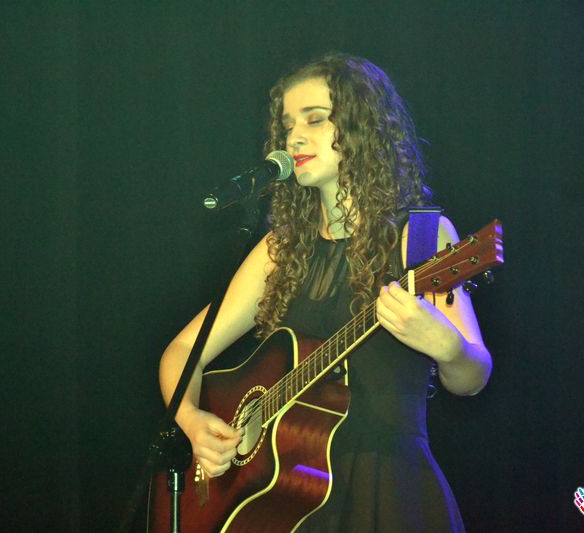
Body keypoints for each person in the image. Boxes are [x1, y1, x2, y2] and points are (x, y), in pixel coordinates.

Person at [158, 53, 492, 532]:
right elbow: (183, 350)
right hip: (289, 498)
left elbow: (473, 376)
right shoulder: (279, 250)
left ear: (362, 128)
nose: (294, 137)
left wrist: (449, 348)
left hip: (388, 487)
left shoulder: (421, 237)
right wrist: (192, 422)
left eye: (314, 119)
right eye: (287, 125)